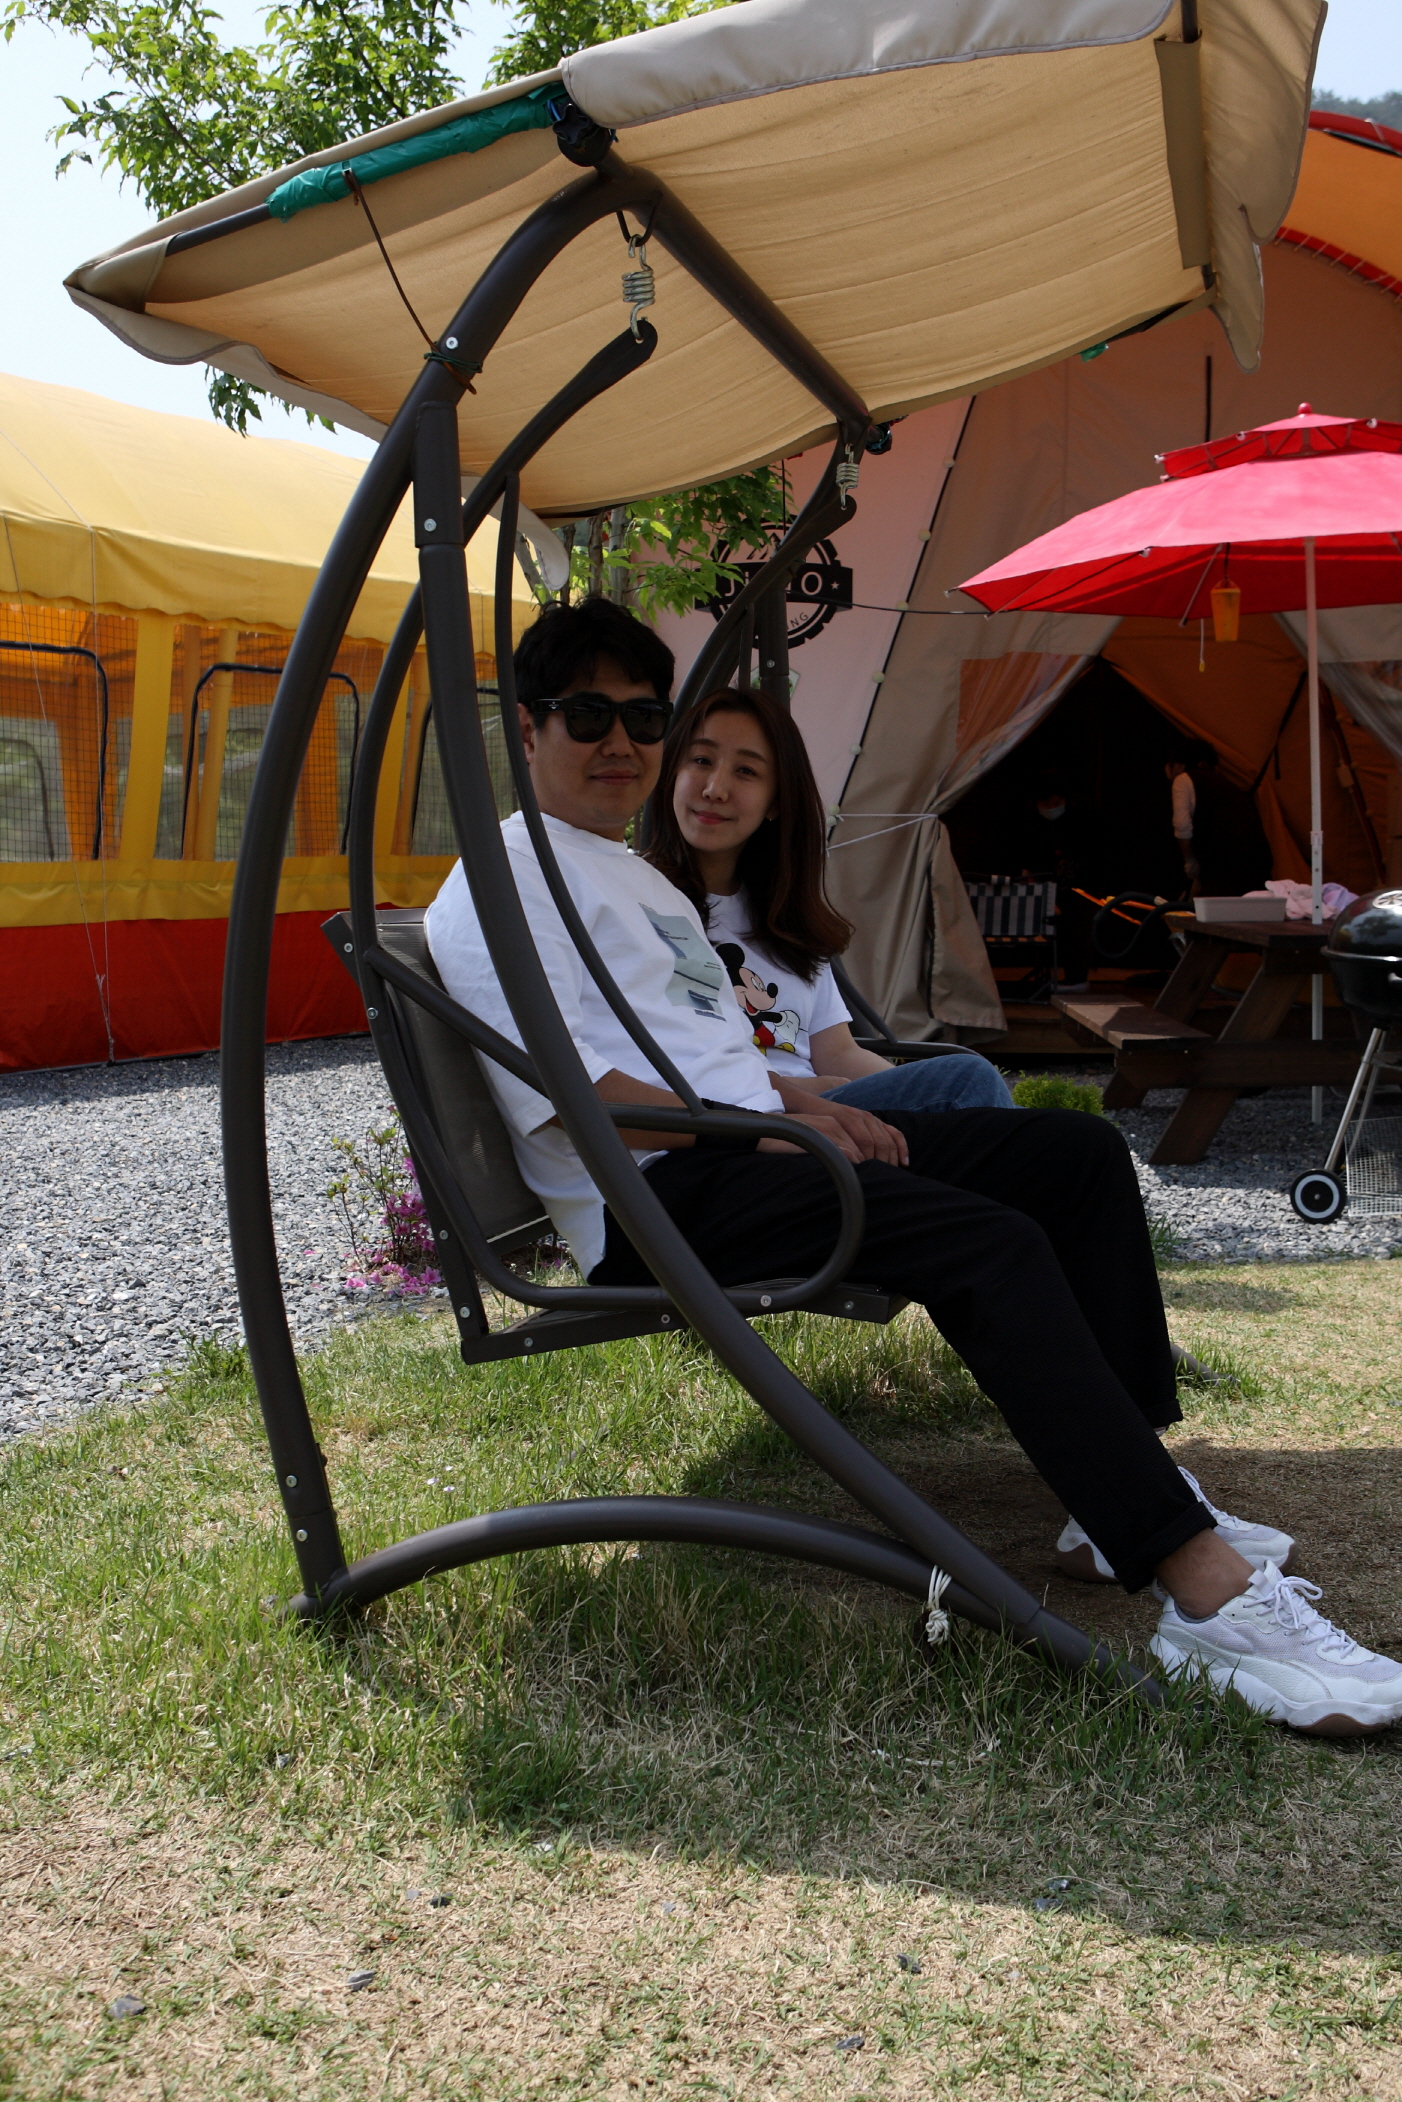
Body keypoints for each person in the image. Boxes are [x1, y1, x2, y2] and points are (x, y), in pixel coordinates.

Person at [425, 597, 1402, 1737]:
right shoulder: (498, 883)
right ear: (527, 725)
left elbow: (708, 1055)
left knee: (1076, 1155)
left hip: (738, 1153)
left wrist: (804, 1105)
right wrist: (777, 1130)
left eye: (644, 718)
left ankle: (1121, 1495)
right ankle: (1209, 1599)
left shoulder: (628, 878)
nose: (622, 743)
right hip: (657, 1202)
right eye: (587, 715)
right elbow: (587, 1100)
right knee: (989, 1242)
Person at [643, 683, 1014, 1114]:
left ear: (776, 802)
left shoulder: (784, 918)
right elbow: (667, 1058)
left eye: (746, 771)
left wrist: (912, 1094)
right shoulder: (637, 899)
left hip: (830, 1116)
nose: (715, 788)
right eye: (701, 760)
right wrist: (813, 1091)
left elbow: (838, 1051)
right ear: (671, 772)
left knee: (977, 1100)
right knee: (968, 1081)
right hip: (750, 1120)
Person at [1167, 739, 1272, 898]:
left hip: (1224, 863)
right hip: (1257, 859)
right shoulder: (1228, 785)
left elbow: (1182, 826)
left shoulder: (1183, 779)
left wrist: (1190, 861)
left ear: (1180, 764)